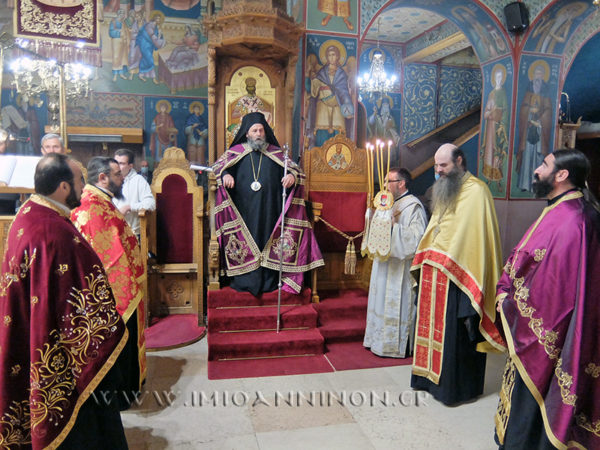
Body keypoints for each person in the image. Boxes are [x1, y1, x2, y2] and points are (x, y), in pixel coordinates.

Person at [0, 153, 128, 449]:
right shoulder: (54, 233)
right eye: (80, 181)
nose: (84, 187)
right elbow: (79, 294)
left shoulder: (28, 212)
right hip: (57, 347)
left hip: (31, 328)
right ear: (63, 187)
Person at [494, 149, 600, 450]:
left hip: (552, 331)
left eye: (544, 165)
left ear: (562, 175)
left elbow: (556, 290)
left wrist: (510, 302)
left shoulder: (574, 220)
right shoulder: (560, 208)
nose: (537, 170)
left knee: (541, 393)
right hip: (536, 315)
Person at [410, 143, 505, 405]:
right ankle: (426, 379)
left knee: (456, 333)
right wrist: (426, 256)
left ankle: (454, 389)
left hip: (459, 275)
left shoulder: (477, 191)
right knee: (429, 327)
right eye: (436, 165)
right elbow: (437, 228)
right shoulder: (444, 189)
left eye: (444, 165)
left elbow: (475, 238)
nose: (438, 171)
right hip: (435, 270)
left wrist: (449, 260)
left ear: (459, 161)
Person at [212, 112, 324, 296]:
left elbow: (297, 171)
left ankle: (270, 279)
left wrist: (292, 176)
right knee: (247, 241)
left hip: (270, 209)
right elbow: (217, 168)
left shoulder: (276, 153)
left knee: (268, 241)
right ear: (246, 134)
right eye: (254, 130)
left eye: (261, 130)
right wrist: (225, 174)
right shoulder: (235, 152)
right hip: (243, 211)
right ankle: (244, 279)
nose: (258, 134)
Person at [71, 156, 147, 409]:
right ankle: (122, 396)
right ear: (102, 178)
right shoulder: (93, 208)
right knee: (120, 342)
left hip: (122, 281)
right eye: (117, 174)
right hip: (116, 290)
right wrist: (126, 288)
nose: (122, 178)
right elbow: (108, 256)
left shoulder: (100, 201)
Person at [363, 168, 427, 358]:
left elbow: (418, 239)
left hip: (400, 268)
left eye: (388, 182)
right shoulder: (386, 203)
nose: (384, 186)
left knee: (395, 303)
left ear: (401, 183)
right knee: (379, 300)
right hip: (383, 264)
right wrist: (372, 218)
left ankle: (395, 345)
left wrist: (394, 227)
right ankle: (376, 340)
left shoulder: (413, 206)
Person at [308, 43, 354, 148]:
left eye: (333, 55)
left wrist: (348, 109)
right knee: (321, 133)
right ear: (326, 57)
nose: (331, 57)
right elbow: (313, 92)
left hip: (337, 105)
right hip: (323, 105)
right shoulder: (321, 73)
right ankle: (319, 155)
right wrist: (312, 79)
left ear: (337, 56)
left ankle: (338, 156)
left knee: (339, 133)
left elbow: (344, 92)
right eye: (329, 55)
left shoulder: (342, 74)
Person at [516, 62, 552, 192]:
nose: (538, 76)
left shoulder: (546, 90)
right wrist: (529, 112)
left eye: (541, 73)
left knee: (538, 156)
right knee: (527, 155)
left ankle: (538, 186)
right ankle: (525, 184)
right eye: (537, 73)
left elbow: (548, 110)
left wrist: (540, 122)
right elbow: (523, 107)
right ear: (533, 75)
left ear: (543, 76)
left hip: (539, 130)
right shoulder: (529, 88)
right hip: (528, 127)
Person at [113, 148, 156, 239]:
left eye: (121, 163)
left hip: (130, 234)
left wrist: (129, 207)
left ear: (130, 166)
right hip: (110, 231)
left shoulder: (138, 180)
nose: (117, 166)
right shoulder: (108, 180)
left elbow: (151, 204)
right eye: (115, 162)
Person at [481, 66, 508, 190]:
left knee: (497, 151)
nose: (499, 79)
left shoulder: (503, 93)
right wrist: (490, 112)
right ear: (494, 78)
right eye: (497, 77)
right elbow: (486, 112)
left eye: (500, 77)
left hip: (498, 127)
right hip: (490, 127)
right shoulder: (491, 93)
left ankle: (497, 180)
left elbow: (505, 110)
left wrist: (502, 124)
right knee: (489, 151)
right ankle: (488, 177)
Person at [109, 9, 130, 81]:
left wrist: (126, 38)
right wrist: (119, 32)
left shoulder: (123, 23)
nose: (122, 15)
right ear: (118, 14)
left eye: (123, 14)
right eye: (121, 13)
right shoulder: (113, 22)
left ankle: (121, 73)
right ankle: (115, 74)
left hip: (123, 41)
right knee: (116, 57)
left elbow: (126, 32)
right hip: (116, 41)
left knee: (123, 57)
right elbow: (111, 32)